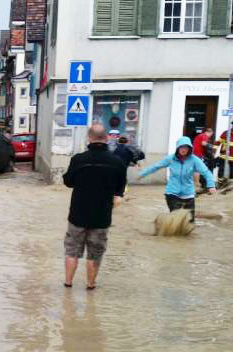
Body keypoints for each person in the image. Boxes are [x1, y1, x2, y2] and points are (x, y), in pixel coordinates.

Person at [62, 124, 127, 290]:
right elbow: (120, 188)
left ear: (89, 139)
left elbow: (68, 182)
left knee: (72, 250)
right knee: (95, 253)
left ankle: (68, 283)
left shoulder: (78, 159)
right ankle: (90, 284)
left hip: (77, 214)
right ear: (106, 138)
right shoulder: (117, 162)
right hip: (102, 216)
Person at [138, 136, 216, 223]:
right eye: (181, 147)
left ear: (190, 149)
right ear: (178, 148)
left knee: (190, 222)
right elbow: (156, 166)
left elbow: (206, 172)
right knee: (176, 219)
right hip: (172, 193)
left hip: (188, 194)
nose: (184, 149)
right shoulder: (170, 159)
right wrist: (142, 174)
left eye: (186, 147)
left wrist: (211, 185)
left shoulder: (194, 160)